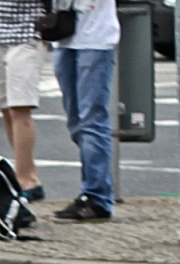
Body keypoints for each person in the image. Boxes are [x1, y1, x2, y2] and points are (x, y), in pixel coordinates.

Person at [52, 0, 120, 221]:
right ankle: (91, 191)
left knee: (92, 119)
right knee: (76, 122)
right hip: (63, 34)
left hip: (96, 38)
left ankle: (97, 197)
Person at [0, 0, 48, 202]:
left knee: (20, 108)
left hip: (27, 33)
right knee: (5, 108)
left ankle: (24, 180)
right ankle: (31, 176)